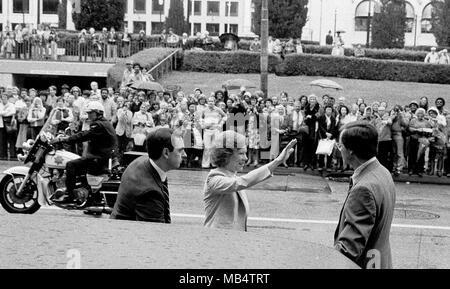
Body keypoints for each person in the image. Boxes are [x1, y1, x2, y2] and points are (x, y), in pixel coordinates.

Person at [203, 131, 297, 231]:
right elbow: (243, 182)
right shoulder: (213, 179)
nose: (246, 158)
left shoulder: (232, 176)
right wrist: (277, 161)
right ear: (226, 155)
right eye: (241, 153)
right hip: (216, 240)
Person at [334, 121, 396, 269]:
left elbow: (350, 247)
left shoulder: (363, 189)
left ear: (351, 151)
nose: (339, 149)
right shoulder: (382, 171)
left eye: (340, 145)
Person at [111, 128, 185, 222]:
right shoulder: (150, 192)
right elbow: (156, 232)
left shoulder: (141, 161)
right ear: (166, 153)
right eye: (180, 151)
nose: (185, 154)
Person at [52, 101, 118, 204]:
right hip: (103, 156)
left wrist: (64, 139)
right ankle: (88, 195)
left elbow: (84, 135)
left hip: (98, 158)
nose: (88, 115)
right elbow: (85, 134)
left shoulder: (98, 124)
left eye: (90, 112)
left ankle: (70, 195)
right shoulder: (103, 122)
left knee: (70, 165)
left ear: (98, 112)